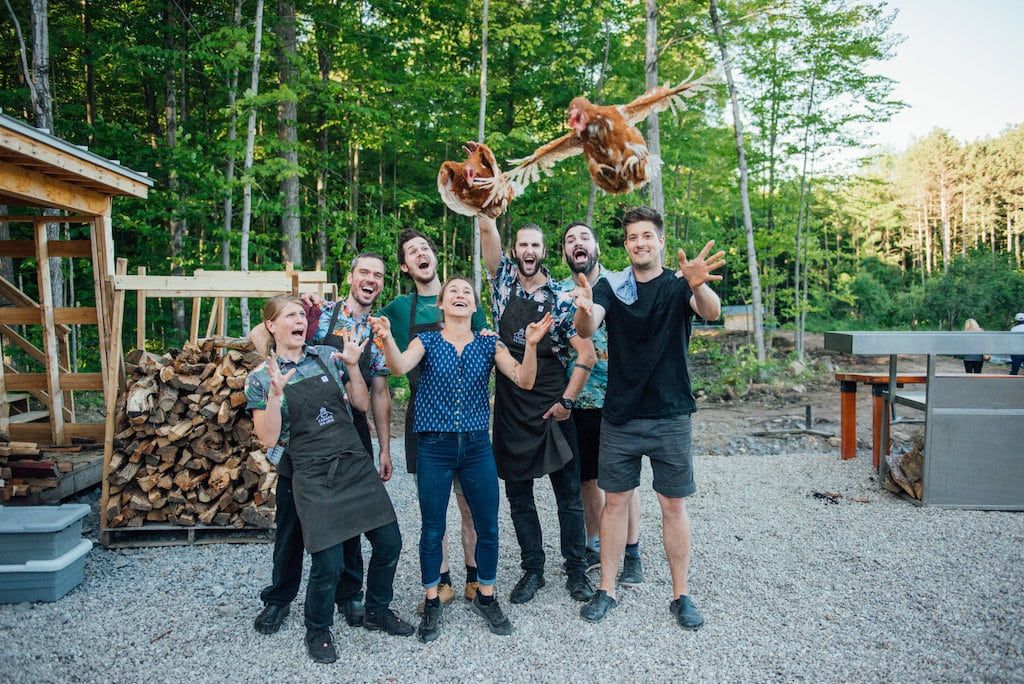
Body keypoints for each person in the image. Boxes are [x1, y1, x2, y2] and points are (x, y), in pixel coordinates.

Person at [373, 276, 553, 642]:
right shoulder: (426, 340)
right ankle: (432, 600)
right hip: (434, 445)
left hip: (475, 446)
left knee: (488, 525)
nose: (459, 295)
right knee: (432, 527)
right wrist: (388, 338)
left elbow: (524, 379)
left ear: (474, 306)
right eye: (452, 291)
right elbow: (399, 367)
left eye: (466, 292)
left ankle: (486, 595)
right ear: (440, 304)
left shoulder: (489, 343)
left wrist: (532, 346)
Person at [572, 206, 724, 631]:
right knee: (615, 503)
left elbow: (710, 311)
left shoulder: (678, 284)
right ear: (626, 245)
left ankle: (681, 595)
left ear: (660, 241)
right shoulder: (612, 286)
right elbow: (587, 327)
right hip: (620, 415)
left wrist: (698, 284)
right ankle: (607, 589)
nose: (639, 243)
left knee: (673, 505)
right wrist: (583, 307)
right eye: (632, 237)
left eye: (646, 236)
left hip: (670, 413)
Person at [246, 297, 413, 664]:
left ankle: (376, 609)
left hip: (352, 464)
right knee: (328, 561)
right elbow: (269, 438)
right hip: (311, 472)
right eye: (289, 315)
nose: (299, 320)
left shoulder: (326, 355)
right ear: (271, 326)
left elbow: (361, 405)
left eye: (300, 315)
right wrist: (275, 395)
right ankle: (318, 627)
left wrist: (353, 366)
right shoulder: (260, 378)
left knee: (390, 542)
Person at [477, 213, 597, 605]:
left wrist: (567, 401)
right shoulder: (502, 281)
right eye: (523, 244)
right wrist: (485, 209)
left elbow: (586, 353)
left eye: (535, 245)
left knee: (568, 495)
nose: (529, 251)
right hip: (512, 403)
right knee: (519, 496)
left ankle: (576, 570)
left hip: (551, 404)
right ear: (514, 250)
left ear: (544, 252)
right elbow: (487, 231)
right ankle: (533, 569)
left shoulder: (561, 296)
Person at [378, 229, 490, 605]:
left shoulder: (466, 300)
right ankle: (441, 582)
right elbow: (362, 323)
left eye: (425, 247)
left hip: (468, 423)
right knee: (434, 512)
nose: (420, 253)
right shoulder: (399, 308)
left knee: (470, 507)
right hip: (424, 421)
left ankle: (475, 576)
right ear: (405, 266)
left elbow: (486, 349)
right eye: (412, 251)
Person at [558, 222, 643, 584]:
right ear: (565, 252)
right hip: (578, 399)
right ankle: (595, 543)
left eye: (584, 238)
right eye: (570, 240)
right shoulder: (560, 292)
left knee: (623, 482)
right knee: (587, 478)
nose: (577, 243)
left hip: (618, 399)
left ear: (597, 247)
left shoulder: (622, 284)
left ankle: (632, 552)